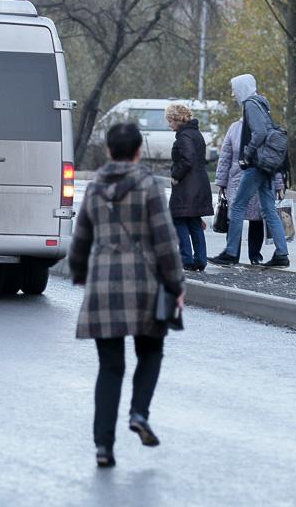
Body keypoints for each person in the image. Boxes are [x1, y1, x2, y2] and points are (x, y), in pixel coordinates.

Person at [69, 122, 186, 468]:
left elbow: (81, 237)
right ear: (137, 152)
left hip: (103, 286)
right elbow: (165, 240)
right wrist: (176, 284)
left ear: (108, 150)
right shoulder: (148, 185)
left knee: (110, 368)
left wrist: (79, 274)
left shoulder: (94, 188)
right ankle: (138, 412)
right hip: (144, 285)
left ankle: (103, 447)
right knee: (151, 351)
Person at [209, 74, 290, 268]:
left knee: (237, 206)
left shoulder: (250, 104)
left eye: (234, 89)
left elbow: (260, 132)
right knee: (269, 210)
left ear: (242, 88)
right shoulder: (262, 104)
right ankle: (282, 254)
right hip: (267, 166)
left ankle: (230, 253)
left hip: (256, 164)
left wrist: (248, 152)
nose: (232, 93)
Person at [216, 117, 285, 264]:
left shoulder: (268, 130)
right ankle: (233, 253)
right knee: (235, 216)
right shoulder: (235, 128)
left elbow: (276, 160)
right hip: (236, 178)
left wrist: (279, 184)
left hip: (256, 177)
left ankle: (253, 256)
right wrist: (221, 181)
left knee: (256, 219)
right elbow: (225, 156)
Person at [166, 103, 214, 271]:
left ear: (177, 120)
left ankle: (185, 258)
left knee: (178, 220)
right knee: (194, 221)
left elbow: (187, 159)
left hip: (187, 185)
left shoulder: (184, 136)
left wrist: (175, 175)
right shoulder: (196, 134)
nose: (169, 124)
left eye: (170, 120)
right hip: (199, 184)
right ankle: (200, 259)